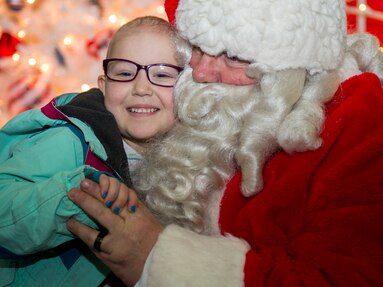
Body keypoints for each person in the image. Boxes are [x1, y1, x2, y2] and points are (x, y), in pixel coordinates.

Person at [65, 0, 383, 286]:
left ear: (293, 65)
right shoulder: (201, 96)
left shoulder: (359, 129)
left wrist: (157, 260)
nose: (201, 73)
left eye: (232, 56)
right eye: (197, 46)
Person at [0, 16, 183, 286]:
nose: (142, 88)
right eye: (123, 73)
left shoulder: (190, 170)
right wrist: (77, 194)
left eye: (162, 75)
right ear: (104, 86)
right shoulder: (71, 140)